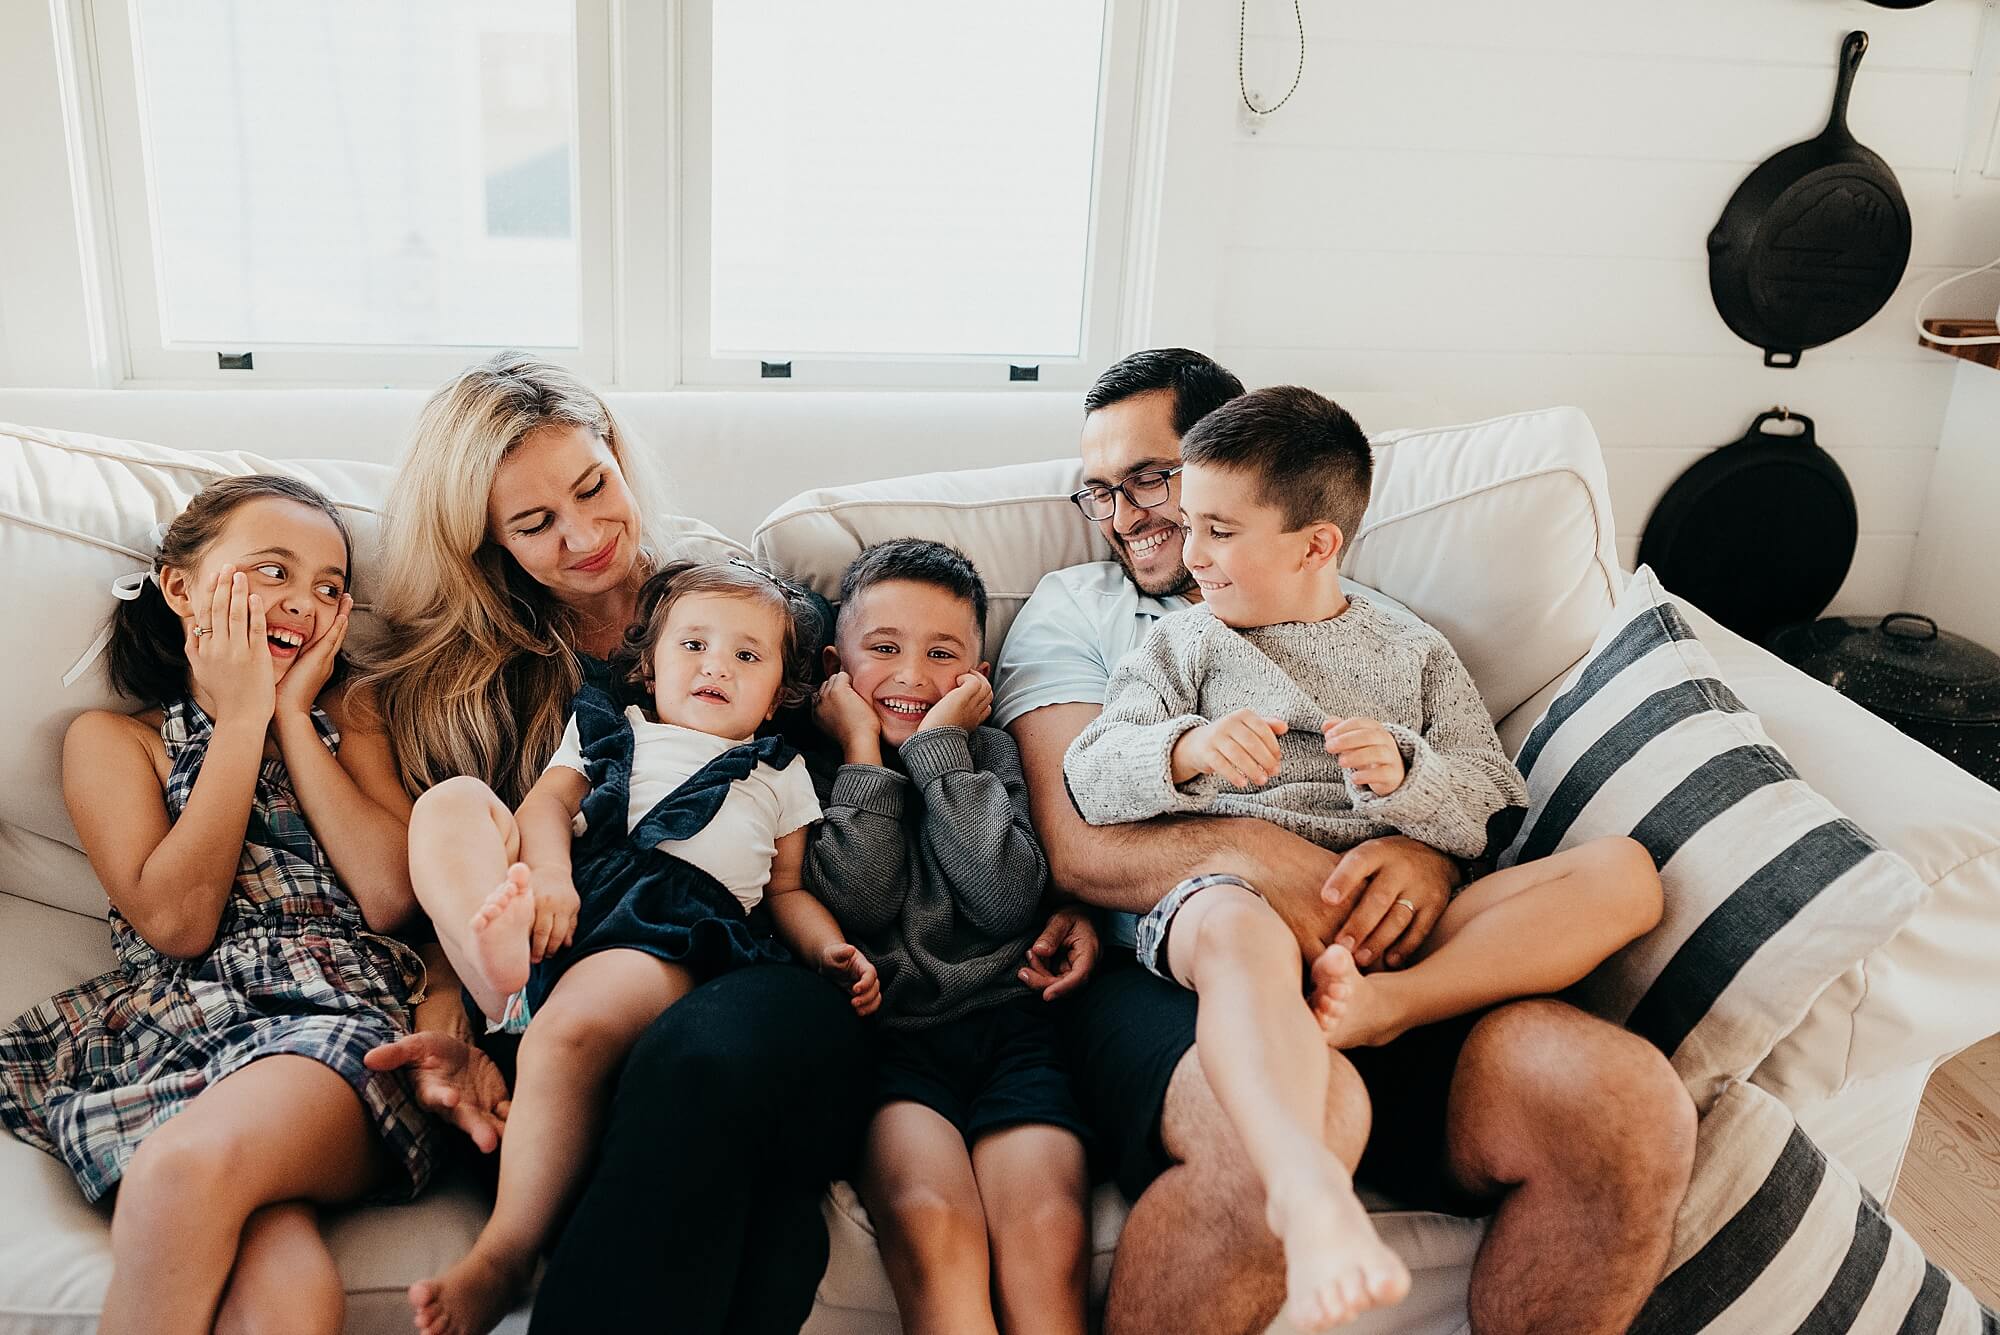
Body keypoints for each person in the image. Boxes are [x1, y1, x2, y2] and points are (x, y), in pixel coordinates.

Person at [358, 352, 1095, 1334]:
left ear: (618, 458)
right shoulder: (468, 683)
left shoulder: (742, 605)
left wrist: (1067, 894)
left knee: (702, 1065)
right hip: (563, 978)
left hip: (748, 972)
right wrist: (458, 1018)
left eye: (592, 486)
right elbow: (448, 871)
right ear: (484, 540)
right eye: (534, 524)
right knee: (762, 1224)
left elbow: (867, 785)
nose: (583, 536)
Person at [995, 348, 1698, 1335]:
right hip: (1185, 966)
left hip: (1387, 961)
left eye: (1154, 480)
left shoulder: (1396, 638)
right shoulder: (1092, 616)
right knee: (1292, 1127)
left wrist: (1420, 841)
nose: (1133, 517)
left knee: (1623, 1105)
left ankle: (1383, 1012)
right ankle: (1301, 1189)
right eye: (1099, 491)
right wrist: (1249, 847)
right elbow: (1078, 839)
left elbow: (1487, 803)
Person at [0, 476, 435, 1335]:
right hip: (174, 1024)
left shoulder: (355, 716)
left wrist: (290, 716)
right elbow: (179, 922)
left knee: (180, 1169)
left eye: (328, 586)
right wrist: (237, 722)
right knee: (277, 1278)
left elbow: (388, 893)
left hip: (332, 1011)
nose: (303, 602)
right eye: (272, 570)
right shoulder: (112, 742)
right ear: (180, 586)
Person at [411, 560, 881, 1335]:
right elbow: (542, 809)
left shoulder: (779, 772)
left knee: (571, 1027)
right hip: (561, 902)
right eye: (693, 644)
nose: (715, 666)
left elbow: (789, 891)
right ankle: (491, 965)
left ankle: (505, 1248)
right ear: (647, 665)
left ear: (778, 698)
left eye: (746, 656)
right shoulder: (606, 728)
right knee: (450, 802)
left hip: (671, 932)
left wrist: (831, 949)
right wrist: (553, 880)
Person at [805, 540, 1092, 1335]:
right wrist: (865, 752)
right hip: (890, 1041)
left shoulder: (994, 755)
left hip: (1014, 1030)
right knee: (932, 1218)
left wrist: (939, 753)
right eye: (884, 649)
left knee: (1044, 1228)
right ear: (836, 665)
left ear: (978, 677)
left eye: (942, 653)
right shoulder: (820, 771)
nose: (911, 676)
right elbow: (858, 900)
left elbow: (1004, 899)